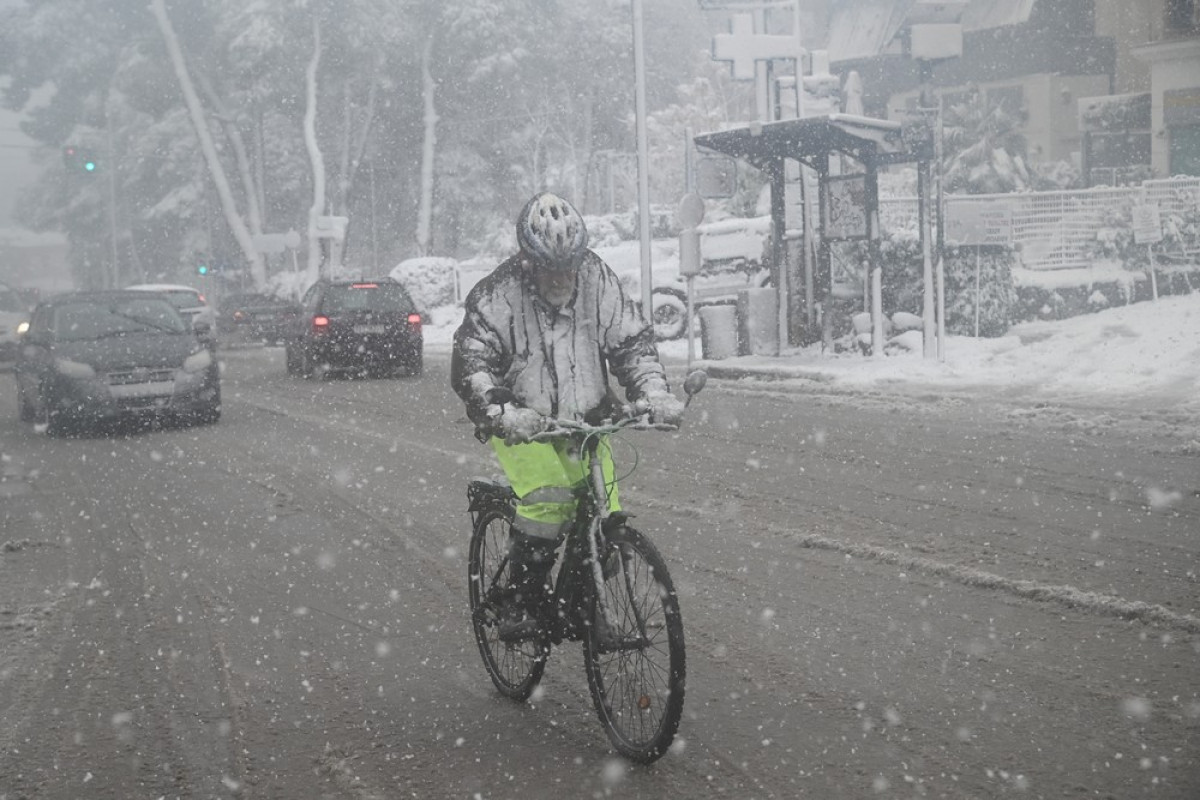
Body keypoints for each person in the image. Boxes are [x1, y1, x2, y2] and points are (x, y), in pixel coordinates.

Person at [451, 191, 684, 641]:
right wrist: (501, 412)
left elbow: (632, 344)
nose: (561, 278)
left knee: (605, 513)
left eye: (569, 266)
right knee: (549, 500)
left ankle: (585, 606)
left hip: (588, 419)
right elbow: (472, 364)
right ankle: (520, 600)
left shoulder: (599, 280)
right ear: (527, 259)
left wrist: (654, 392)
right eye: (549, 268)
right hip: (523, 423)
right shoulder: (495, 295)